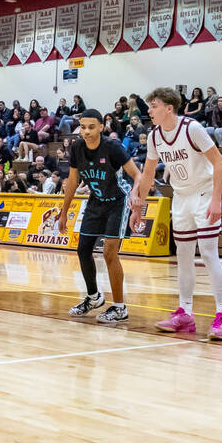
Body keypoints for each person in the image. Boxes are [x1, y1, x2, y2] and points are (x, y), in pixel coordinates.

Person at [132, 89, 222, 340]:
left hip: (204, 194)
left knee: (209, 254)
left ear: (169, 108)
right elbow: (148, 174)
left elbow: (219, 163)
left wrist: (217, 200)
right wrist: (138, 208)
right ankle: (185, 313)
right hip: (181, 197)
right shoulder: (154, 136)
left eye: (153, 106)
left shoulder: (192, 128)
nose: (149, 111)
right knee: (184, 256)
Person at [57, 109, 140, 324]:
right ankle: (94, 298)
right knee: (83, 249)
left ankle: (120, 307)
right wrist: (63, 213)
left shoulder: (112, 147)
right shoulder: (77, 147)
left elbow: (136, 174)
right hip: (95, 202)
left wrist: (137, 197)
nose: (86, 131)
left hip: (117, 203)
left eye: (91, 127)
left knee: (109, 253)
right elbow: (73, 181)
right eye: (82, 127)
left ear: (102, 127)